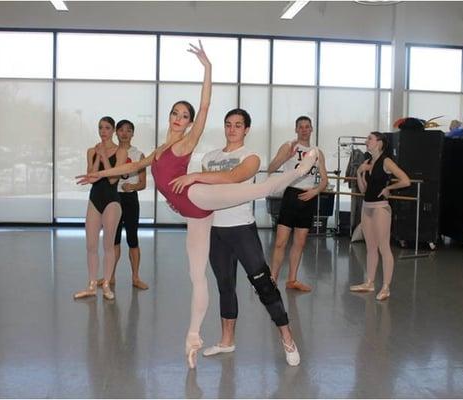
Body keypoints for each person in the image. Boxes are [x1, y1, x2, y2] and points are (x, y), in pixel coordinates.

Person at [76, 42, 317, 368]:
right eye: (175, 113)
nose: (179, 118)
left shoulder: (210, 147)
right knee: (200, 278)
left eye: (184, 116)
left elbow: (212, 125)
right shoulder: (179, 152)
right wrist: (97, 174)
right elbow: (132, 167)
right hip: (201, 218)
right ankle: (195, 337)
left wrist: (207, 68)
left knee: (254, 199)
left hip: (212, 207)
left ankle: (300, 171)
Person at [171, 108, 300, 366]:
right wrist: (183, 203)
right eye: (228, 124)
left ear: (246, 129)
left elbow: (235, 177)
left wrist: (196, 176)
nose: (232, 129)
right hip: (215, 230)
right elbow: (203, 194)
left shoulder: (251, 157)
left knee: (264, 285)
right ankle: (227, 340)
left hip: (241, 228)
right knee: (225, 286)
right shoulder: (210, 157)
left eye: (238, 125)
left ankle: (287, 337)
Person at [267, 116, 328, 292]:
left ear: (312, 129)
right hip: (291, 195)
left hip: (309, 197)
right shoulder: (289, 146)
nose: (303, 129)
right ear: (296, 129)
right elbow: (271, 167)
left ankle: (292, 279)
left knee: (300, 242)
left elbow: (324, 179)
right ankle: (272, 279)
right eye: (300, 127)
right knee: (280, 242)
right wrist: (286, 156)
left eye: (307, 127)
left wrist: (316, 191)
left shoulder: (317, 152)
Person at [350, 131, 410, 301]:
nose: (366, 141)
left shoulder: (386, 161)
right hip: (367, 207)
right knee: (370, 247)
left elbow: (406, 180)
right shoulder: (368, 162)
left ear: (379, 143)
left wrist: (389, 189)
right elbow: (364, 191)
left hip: (380, 209)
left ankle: (386, 287)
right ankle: (369, 282)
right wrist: (360, 173)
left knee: (384, 247)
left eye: (369, 138)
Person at [73, 116, 126, 301]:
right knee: (91, 245)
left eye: (107, 128)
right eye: (100, 127)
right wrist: (97, 155)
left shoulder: (120, 151)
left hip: (112, 200)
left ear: (113, 131)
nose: (103, 131)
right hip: (95, 199)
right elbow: (91, 176)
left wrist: (104, 155)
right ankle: (92, 284)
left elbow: (112, 179)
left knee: (108, 245)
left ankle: (106, 284)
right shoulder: (91, 151)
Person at [98, 119, 149, 290]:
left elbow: (143, 183)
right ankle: (110, 277)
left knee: (133, 239)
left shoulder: (138, 155)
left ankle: (135, 277)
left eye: (128, 130)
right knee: (113, 240)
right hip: (113, 199)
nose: (124, 133)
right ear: (116, 132)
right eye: (121, 130)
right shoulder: (110, 153)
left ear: (133, 133)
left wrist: (132, 186)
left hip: (130, 199)